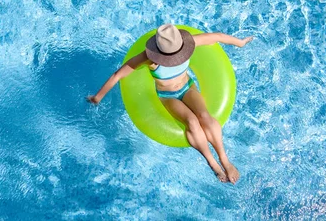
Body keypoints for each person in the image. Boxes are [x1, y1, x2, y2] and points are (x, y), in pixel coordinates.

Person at [87, 24, 253, 183]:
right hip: (168, 96)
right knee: (192, 121)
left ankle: (225, 160)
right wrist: (98, 97)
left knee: (204, 115)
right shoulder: (148, 59)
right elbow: (118, 75)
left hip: (187, 88)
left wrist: (240, 42)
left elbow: (217, 36)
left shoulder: (187, 43)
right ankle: (213, 163)